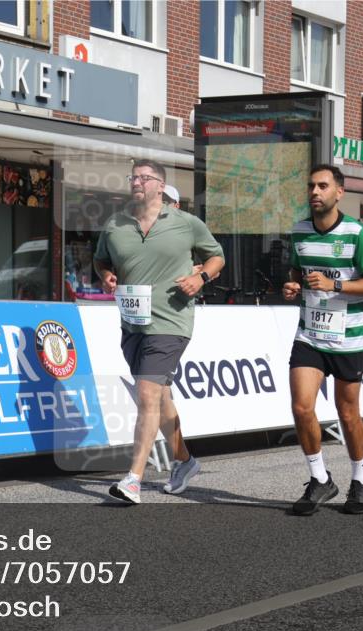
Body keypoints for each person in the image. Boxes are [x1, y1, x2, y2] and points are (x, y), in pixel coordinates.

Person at [94, 160, 225, 503]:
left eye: (143, 177)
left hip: (171, 321)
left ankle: (133, 480)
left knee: (148, 394)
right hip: (132, 323)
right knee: (161, 397)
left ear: (160, 186)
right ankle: (185, 461)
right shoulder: (116, 225)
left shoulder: (186, 223)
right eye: (133, 177)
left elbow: (217, 257)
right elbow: (101, 259)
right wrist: (106, 275)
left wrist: (201, 278)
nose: (136, 182)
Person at [282, 165, 363, 515]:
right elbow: (297, 270)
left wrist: (336, 285)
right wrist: (292, 284)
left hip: (350, 336)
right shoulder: (299, 230)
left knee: (348, 412)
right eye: (311, 185)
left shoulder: (358, 233)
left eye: (323, 186)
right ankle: (320, 478)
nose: (315, 191)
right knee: (301, 406)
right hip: (310, 333)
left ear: (339, 193)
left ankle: (359, 479)